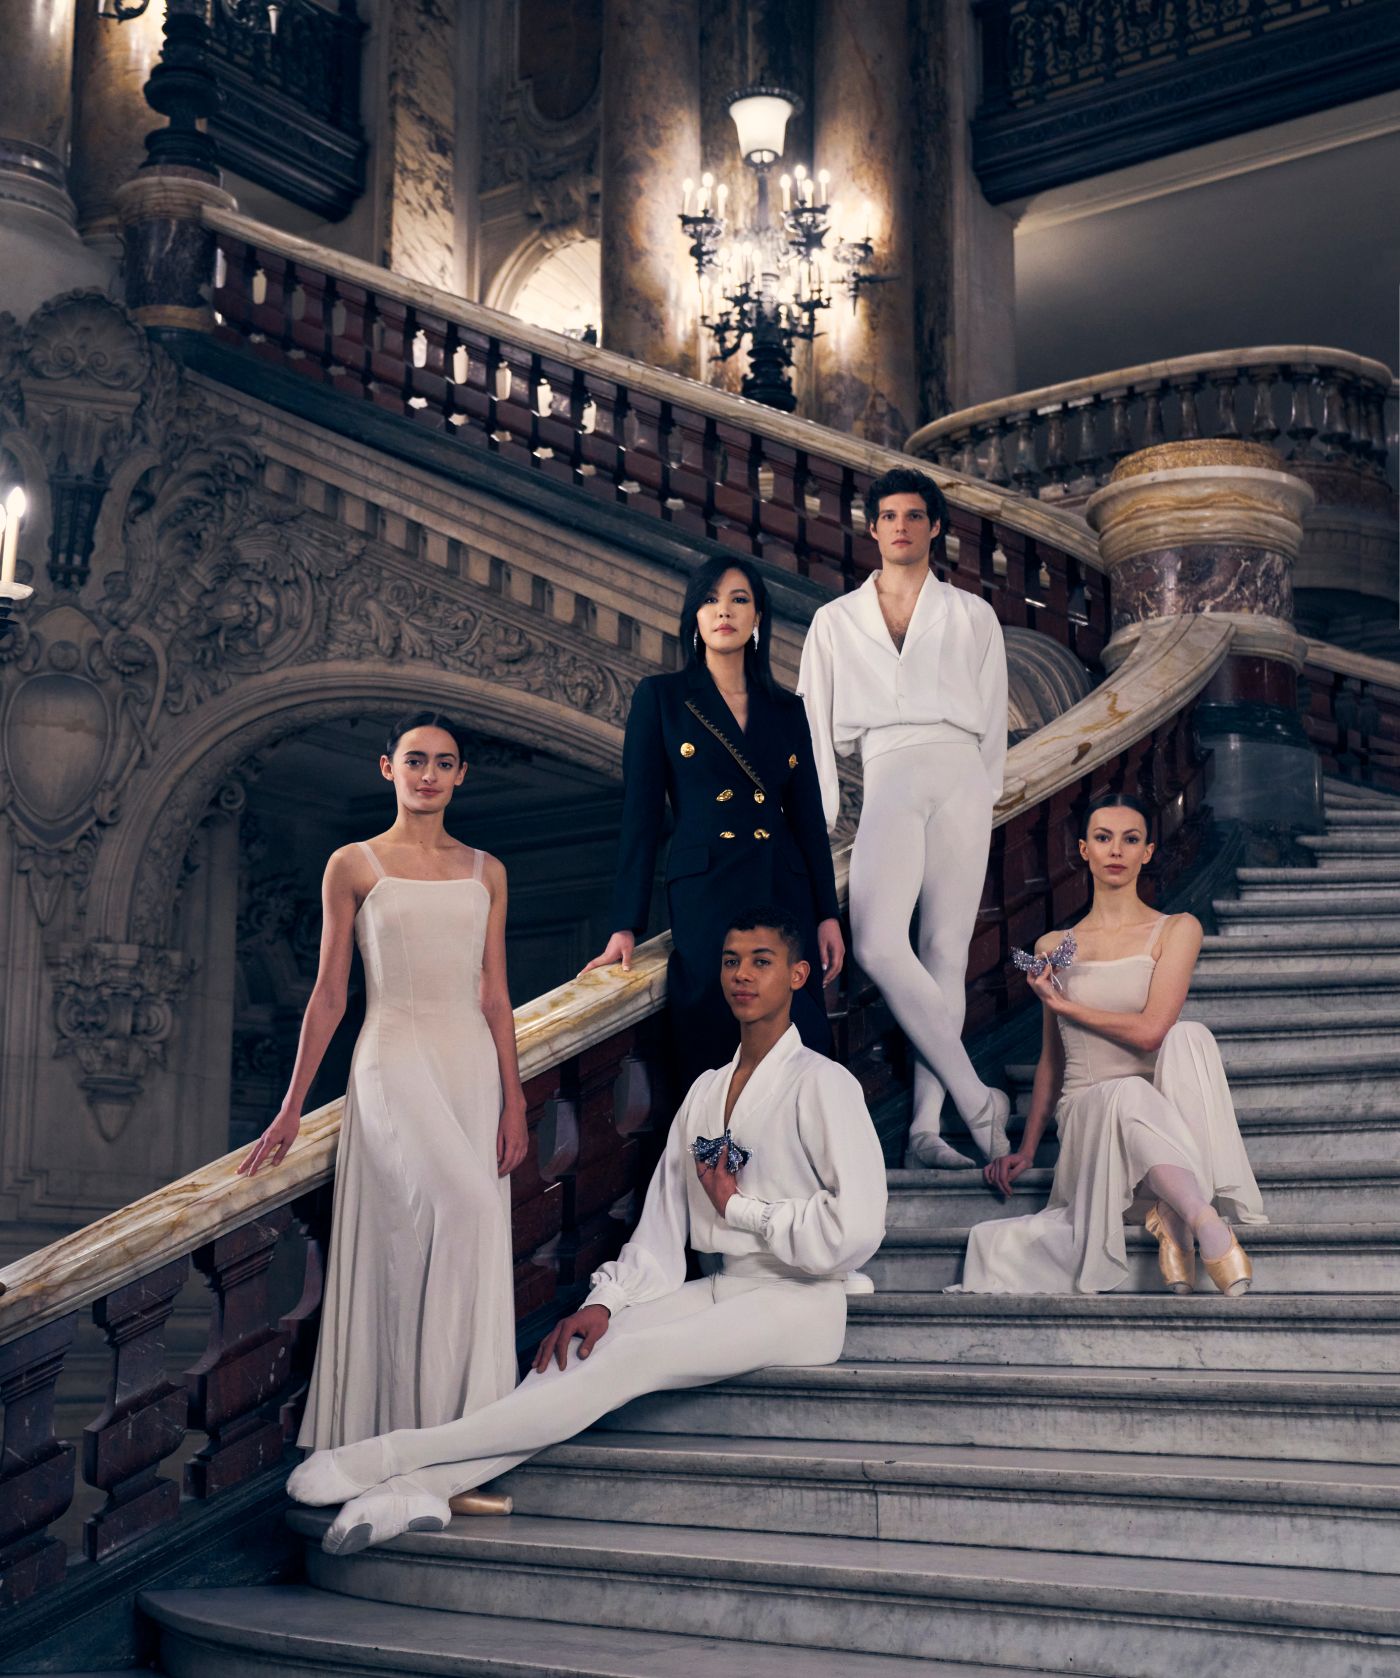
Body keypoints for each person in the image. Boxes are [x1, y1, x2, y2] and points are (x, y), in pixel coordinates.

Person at [287, 905, 888, 1555]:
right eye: (731, 961)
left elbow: (857, 1227)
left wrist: (743, 1210)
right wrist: (604, 1302)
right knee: (585, 1349)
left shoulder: (827, 1086)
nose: (742, 975)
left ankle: (391, 1454)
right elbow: (661, 1231)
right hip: (724, 1287)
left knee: (635, 1358)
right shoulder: (707, 1092)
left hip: (801, 1300)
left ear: (799, 974)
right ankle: (419, 1490)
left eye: (762, 962)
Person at [239, 711, 530, 1446]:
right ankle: (416, 1443)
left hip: (469, 1064)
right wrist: (291, 1106)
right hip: (393, 1055)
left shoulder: (485, 870)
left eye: (444, 762)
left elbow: (495, 993)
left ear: (461, 775)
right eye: (415, 760)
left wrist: (515, 1099)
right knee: (458, 1215)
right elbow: (331, 994)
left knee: (451, 1238)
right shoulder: (354, 863)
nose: (428, 773)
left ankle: (460, 1448)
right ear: (388, 769)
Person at [957, 792, 1267, 1295]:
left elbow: (1151, 1031)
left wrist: (1068, 1006)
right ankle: (1204, 1221)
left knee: (1190, 1034)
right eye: (1103, 838)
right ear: (1084, 849)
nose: (1115, 850)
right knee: (1124, 1091)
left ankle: (1177, 1210)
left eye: (1130, 839)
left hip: (1164, 1122)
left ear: (1147, 851)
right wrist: (1029, 1147)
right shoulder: (1052, 947)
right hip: (1092, 1116)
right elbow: (1051, 1060)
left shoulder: (1178, 929)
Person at [798, 465, 1010, 1170]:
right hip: (886, 768)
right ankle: (977, 1097)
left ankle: (927, 1127)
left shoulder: (973, 614)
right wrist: (821, 819)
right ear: (872, 527)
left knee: (947, 949)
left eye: (913, 516)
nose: (900, 526)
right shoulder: (834, 622)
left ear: (935, 527)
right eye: (888, 516)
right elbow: (810, 725)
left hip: (959, 773)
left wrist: (981, 796)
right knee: (879, 944)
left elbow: (992, 726)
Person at [583, 556, 844, 1089]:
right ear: (694, 618)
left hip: (783, 883)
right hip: (708, 886)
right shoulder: (662, 698)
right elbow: (641, 813)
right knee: (714, 1024)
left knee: (799, 1029)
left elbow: (807, 819)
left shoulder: (787, 709)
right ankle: (716, 1154)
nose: (723, 610)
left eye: (738, 599)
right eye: (710, 600)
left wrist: (826, 914)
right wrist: (624, 923)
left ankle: (797, 1161)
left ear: (758, 619)